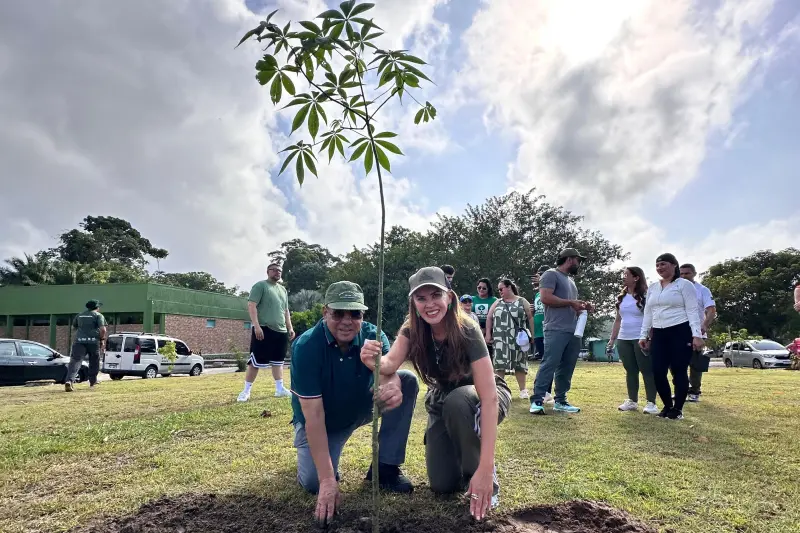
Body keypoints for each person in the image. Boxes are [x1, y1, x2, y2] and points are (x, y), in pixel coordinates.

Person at [361, 266, 511, 521]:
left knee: (459, 401)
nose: (429, 304)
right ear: (414, 302)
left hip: (482, 396)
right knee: (442, 485)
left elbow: (489, 398)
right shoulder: (412, 329)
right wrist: (371, 358)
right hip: (443, 400)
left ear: (449, 298)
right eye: (421, 298)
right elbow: (387, 365)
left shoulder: (468, 329)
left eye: (435, 295)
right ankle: (465, 472)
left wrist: (485, 467)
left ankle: (486, 482)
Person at [290, 281, 418, 526]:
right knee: (314, 483)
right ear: (325, 312)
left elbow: (387, 375)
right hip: (324, 420)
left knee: (408, 380)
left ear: (363, 314)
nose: (347, 321)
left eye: (355, 313)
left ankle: (386, 468)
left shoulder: (374, 335)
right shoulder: (306, 347)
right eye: (338, 313)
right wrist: (328, 481)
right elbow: (313, 417)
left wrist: (391, 386)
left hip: (361, 407)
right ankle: (317, 459)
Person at [639, 253, 703, 420]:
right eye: (657, 265)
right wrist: (643, 335)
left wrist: (696, 335)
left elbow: (692, 310)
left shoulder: (684, 285)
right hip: (659, 332)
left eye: (664, 264)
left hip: (680, 331)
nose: (660, 268)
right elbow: (648, 313)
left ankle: (678, 409)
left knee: (678, 370)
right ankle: (667, 406)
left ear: (674, 265)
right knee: (658, 371)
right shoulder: (653, 287)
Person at [529, 249, 593, 415]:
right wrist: (571, 302)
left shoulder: (571, 281)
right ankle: (537, 400)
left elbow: (571, 306)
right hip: (555, 329)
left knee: (567, 366)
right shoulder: (550, 275)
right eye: (578, 260)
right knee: (549, 363)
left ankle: (561, 401)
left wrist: (583, 307)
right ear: (570, 259)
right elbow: (545, 298)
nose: (579, 264)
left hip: (573, 330)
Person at [238, 263, 295, 401]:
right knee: (255, 361)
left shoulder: (283, 290)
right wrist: (256, 326)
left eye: (279, 271)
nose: (277, 272)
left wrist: (290, 327)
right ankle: (246, 391)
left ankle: (280, 389)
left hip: (280, 331)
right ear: (268, 272)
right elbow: (252, 305)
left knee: (278, 361)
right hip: (263, 329)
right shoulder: (260, 286)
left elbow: (286, 311)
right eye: (274, 270)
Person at [608, 267, 658, 414]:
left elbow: (652, 318)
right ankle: (632, 401)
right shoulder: (621, 297)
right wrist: (612, 339)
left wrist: (649, 338)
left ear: (636, 278)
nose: (623, 277)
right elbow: (618, 320)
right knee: (630, 370)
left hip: (640, 337)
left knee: (646, 370)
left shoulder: (646, 295)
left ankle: (651, 403)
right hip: (624, 338)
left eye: (626, 275)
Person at [485, 279, 534, 398]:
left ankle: (523, 390)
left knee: (520, 363)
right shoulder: (497, 302)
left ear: (509, 287)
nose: (500, 291)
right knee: (499, 363)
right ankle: (499, 390)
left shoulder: (522, 301)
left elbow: (530, 318)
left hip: (518, 339)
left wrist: (532, 334)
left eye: (501, 289)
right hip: (500, 338)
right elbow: (489, 317)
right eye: (498, 290)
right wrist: (488, 335)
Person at [679, 264, 717, 402]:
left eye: (687, 273)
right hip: (678, 331)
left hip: (695, 332)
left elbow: (711, 310)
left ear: (694, 274)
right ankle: (681, 390)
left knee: (695, 364)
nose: (684, 276)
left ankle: (694, 391)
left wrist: (703, 326)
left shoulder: (702, 290)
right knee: (677, 364)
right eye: (681, 274)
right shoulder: (676, 289)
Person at [65, 299, 107, 392]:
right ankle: (93, 381)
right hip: (93, 342)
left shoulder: (79, 315)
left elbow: (73, 327)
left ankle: (69, 381)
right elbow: (103, 329)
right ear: (97, 307)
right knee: (94, 361)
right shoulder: (98, 315)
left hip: (79, 341)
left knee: (75, 361)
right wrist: (102, 340)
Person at [472, 278, 498, 358]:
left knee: (488, 353)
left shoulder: (494, 300)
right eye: (479, 287)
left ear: (488, 289)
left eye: (484, 288)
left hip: (490, 330)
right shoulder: (471, 299)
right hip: (474, 329)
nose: (481, 289)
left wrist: (488, 332)